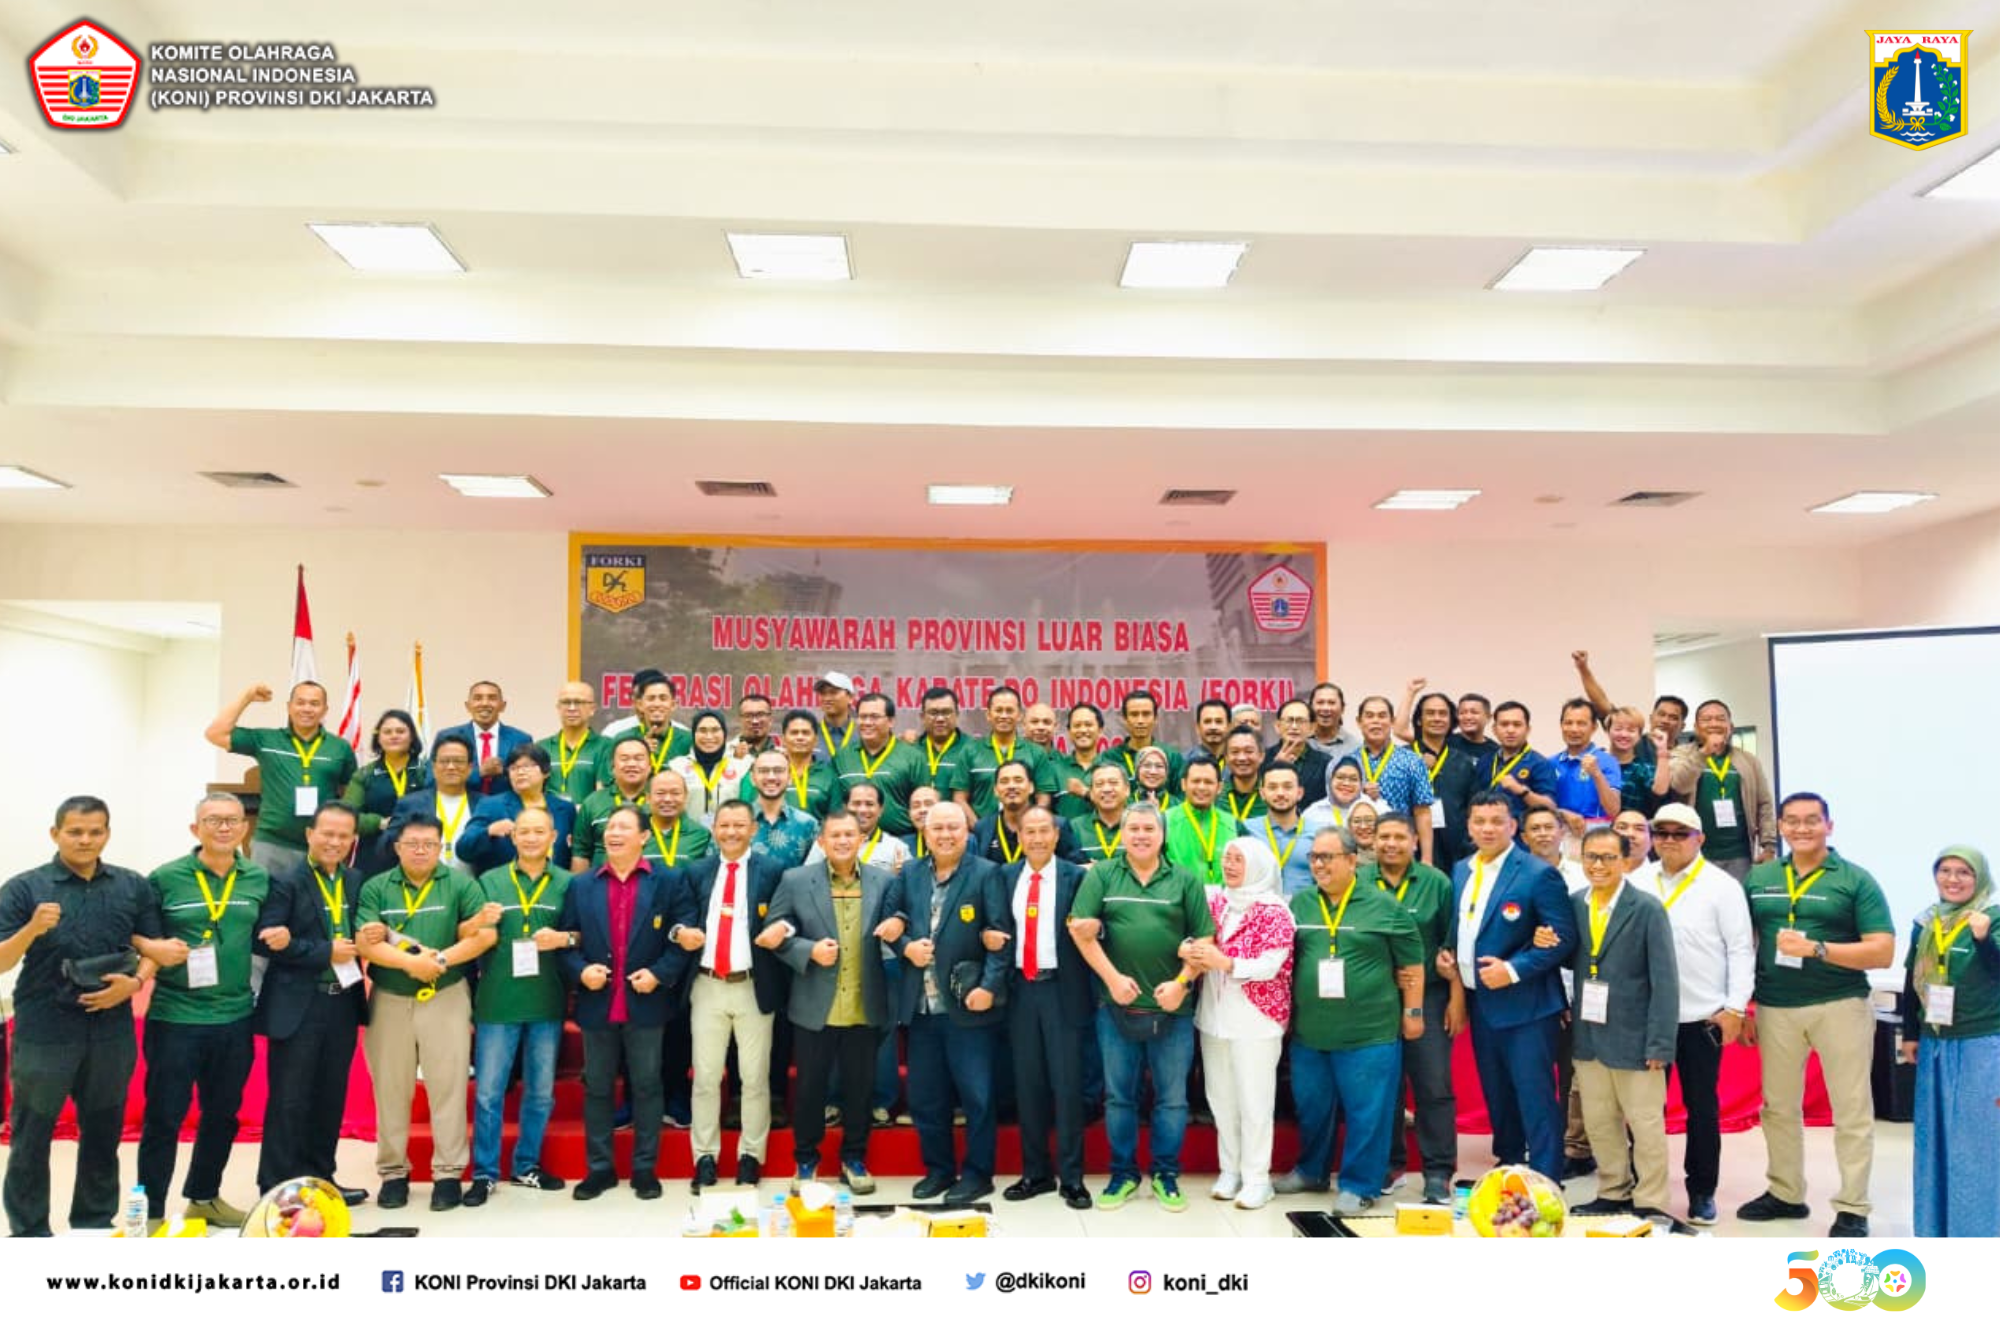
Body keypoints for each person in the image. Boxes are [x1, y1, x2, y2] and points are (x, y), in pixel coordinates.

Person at [0, 797, 162, 1238]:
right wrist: (32, 928)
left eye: (95, 831)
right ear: (55, 834)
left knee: (104, 1132)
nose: (85, 840)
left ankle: (93, 1225)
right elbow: (2, 960)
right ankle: (29, 1232)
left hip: (111, 1027)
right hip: (44, 1028)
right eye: (75, 831)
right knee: (31, 1134)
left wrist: (135, 983)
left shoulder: (132, 886)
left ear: (107, 833)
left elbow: (154, 946)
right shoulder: (24, 888)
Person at [1737, 793, 1894, 1239]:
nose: (1802, 829)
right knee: (1778, 1108)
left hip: (1839, 1004)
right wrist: (1743, 1004)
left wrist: (1818, 949)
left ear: (1829, 825)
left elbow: (1882, 951)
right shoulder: (1760, 877)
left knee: (1852, 1110)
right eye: (1792, 821)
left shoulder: (1855, 879)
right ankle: (1786, 1193)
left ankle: (1853, 1206)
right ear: (1781, 827)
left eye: (1811, 820)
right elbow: (1741, 944)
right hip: (1775, 1007)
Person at [1069, 803, 1215, 1212]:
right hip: (1115, 1007)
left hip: (1173, 1010)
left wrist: (1182, 984)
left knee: (1172, 1099)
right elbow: (1080, 930)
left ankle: (1166, 1173)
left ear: (1162, 834)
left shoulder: (1185, 879)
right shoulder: (1102, 874)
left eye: (1149, 828)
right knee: (1119, 1098)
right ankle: (1123, 1174)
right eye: (1133, 828)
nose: (1140, 835)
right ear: (1122, 833)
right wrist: (1113, 980)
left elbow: (1204, 941)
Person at [137, 793, 271, 1228]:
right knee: (164, 1118)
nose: (224, 827)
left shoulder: (258, 878)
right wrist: (150, 951)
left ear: (245, 828)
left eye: (233, 820)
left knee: (222, 1115)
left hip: (235, 1016)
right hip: (175, 1017)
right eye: (213, 820)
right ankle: (152, 1212)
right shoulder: (165, 878)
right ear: (196, 829)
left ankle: (204, 1197)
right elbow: (140, 934)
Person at [1276, 826, 1423, 1214]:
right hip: (1311, 1032)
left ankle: (1360, 1186)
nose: (1318, 865)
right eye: (1314, 858)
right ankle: (1312, 1171)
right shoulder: (1301, 904)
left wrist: (1413, 1012)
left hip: (1369, 1033)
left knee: (1367, 1113)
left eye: (1327, 857)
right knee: (1313, 1108)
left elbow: (1412, 964)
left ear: (1352, 860)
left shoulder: (1384, 906)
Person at [557, 805, 698, 1202]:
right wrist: (580, 971)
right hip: (598, 1002)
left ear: (644, 836)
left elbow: (683, 936)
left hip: (646, 1001)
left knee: (648, 1085)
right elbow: (567, 939)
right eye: (610, 827)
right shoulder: (582, 884)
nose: (613, 833)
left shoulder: (668, 881)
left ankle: (644, 1169)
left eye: (623, 827)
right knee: (598, 1087)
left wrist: (660, 974)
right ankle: (599, 1169)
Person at [758, 811, 904, 1189]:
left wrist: (900, 924)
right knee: (810, 1090)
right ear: (821, 842)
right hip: (814, 1006)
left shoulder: (884, 881)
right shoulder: (795, 880)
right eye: (834, 835)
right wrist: (807, 950)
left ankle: (854, 1159)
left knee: (860, 1090)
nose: (842, 841)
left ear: (861, 840)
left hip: (864, 1003)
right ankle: (806, 1161)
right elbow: (773, 933)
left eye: (849, 834)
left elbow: (899, 922)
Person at [355, 812, 487, 1211]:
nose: (420, 850)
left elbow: (482, 934)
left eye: (429, 844)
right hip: (390, 997)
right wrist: (411, 963)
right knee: (391, 1089)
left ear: (440, 847)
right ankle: (393, 1173)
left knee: (448, 1087)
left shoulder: (461, 883)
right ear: (397, 847)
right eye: (412, 843)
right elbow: (366, 941)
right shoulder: (377, 886)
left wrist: (440, 961)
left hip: (446, 994)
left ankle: (448, 1173)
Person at [1443, 792, 1576, 1181]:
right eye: (1479, 821)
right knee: (1497, 1093)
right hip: (1480, 1002)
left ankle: (1546, 1176)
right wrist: (1447, 958)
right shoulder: (1461, 870)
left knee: (1534, 1095)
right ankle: (1509, 1164)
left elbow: (1563, 938)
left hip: (1528, 1005)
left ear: (1513, 826)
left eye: (1497, 821)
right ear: (1469, 826)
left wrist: (1514, 970)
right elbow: (1461, 929)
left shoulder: (1537, 873)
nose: (1487, 828)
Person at [890, 801, 1009, 1205]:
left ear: (967, 832)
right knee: (926, 1098)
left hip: (967, 1006)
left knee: (977, 1097)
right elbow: (892, 920)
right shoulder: (909, 873)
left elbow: (1000, 936)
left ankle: (977, 1175)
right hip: (922, 1008)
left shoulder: (987, 873)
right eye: (937, 828)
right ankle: (938, 1170)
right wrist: (906, 948)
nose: (945, 835)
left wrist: (989, 987)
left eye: (953, 828)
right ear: (925, 833)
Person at [1642, 802, 1754, 1225]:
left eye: (1680, 833)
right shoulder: (1638, 880)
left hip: (1702, 1017)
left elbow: (1740, 949)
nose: (1669, 841)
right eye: (1662, 833)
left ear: (1700, 839)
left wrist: (1734, 1007)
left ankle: (1702, 1191)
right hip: (1649, 1017)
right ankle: (1646, 1188)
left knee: (1701, 1108)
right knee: (1644, 1110)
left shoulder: (1722, 886)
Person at [253, 802, 370, 1205]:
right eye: (327, 833)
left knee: (329, 1097)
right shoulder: (285, 881)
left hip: (342, 1003)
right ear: (309, 835)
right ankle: (278, 1186)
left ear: (353, 840)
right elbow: (265, 940)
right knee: (289, 1099)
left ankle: (322, 1179)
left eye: (343, 836)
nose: (335, 842)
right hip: (297, 1006)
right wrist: (323, 952)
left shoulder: (355, 880)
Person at [1565, 828, 1681, 1226]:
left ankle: (1650, 1200)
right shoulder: (1575, 904)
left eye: (1608, 857)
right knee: (1599, 1121)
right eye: (1591, 857)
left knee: (1646, 1125)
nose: (1598, 865)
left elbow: (1665, 981)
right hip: (1589, 1035)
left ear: (1626, 862)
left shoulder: (1646, 908)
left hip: (1636, 1037)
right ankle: (1613, 1191)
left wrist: (1660, 1044)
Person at [462, 807, 572, 1205]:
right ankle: (484, 1173)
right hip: (497, 1000)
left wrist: (565, 939)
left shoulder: (568, 883)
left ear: (553, 837)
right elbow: (465, 932)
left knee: (540, 1092)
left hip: (547, 999)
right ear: (513, 837)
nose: (531, 838)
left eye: (539, 831)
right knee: (488, 1093)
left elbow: (582, 934)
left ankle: (527, 1165)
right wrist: (479, 921)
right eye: (524, 831)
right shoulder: (489, 881)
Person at [679, 801, 787, 1190]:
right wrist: (679, 932)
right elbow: (679, 918)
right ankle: (704, 1157)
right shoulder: (697, 871)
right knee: (706, 1077)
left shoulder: (772, 871)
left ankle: (750, 1156)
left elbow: (788, 916)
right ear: (714, 829)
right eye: (724, 825)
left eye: (739, 825)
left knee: (754, 1078)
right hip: (707, 985)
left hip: (753, 985)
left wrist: (784, 930)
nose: (731, 832)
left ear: (753, 829)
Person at [1186, 838, 1294, 1211]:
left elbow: (1271, 965)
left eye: (1239, 860)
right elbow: (1196, 934)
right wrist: (1189, 948)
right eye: (1227, 858)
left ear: (1259, 866)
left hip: (1256, 1021)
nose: (1230, 865)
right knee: (1221, 1099)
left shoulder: (1275, 910)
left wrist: (1226, 962)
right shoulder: (1216, 901)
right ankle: (1229, 1171)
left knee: (1255, 1101)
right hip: (1214, 1018)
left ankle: (1257, 1179)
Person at [1901, 845, 2000, 1237]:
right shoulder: (1926, 922)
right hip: (1935, 1044)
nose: (1953, 880)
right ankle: (1935, 1230)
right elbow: (1911, 980)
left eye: (1964, 872)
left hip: (1982, 1044)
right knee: (1934, 1141)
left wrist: (1983, 939)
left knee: (1978, 1144)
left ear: (1979, 877)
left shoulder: (1993, 917)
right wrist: (1911, 1034)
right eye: (1945, 871)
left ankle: (1979, 1235)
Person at [999, 807, 1092, 1209]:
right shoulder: (1004, 876)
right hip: (1021, 991)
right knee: (1028, 1084)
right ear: (1019, 837)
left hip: (1062, 990)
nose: (1036, 838)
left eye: (1043, 831)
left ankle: (1072, 1178)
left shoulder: (1077, 877)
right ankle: (1035, 1173)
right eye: (1029, 832)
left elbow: (1096, 925)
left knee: (1067, 1086)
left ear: (1056, 836)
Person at [1370, 812, 1463, 1204]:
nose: (1391, 844)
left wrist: (1456, 996)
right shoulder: (1358, 880)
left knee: (1433, 1086)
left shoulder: (1436, 882)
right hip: (1374, 998)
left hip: (1428, 997)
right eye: (1384, 837)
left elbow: (1451, 944)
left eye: (1399, 837)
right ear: (1372, 841)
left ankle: (1438, 1172)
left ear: (1414, 841)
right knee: (1383, 1088)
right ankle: (1389, 1165)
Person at [206, 680, 358, 877]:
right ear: (289, 707)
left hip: (321, 846)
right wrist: (247, 697)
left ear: (325, 710)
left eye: (314, 703)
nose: (307, 708)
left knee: (317, 898)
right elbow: (215, 734)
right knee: (266, 897)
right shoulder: (267, 740)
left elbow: (350, 795)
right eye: (300, 702)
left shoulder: (340, 748)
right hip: (271, 844)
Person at [1666, 699, 1776, 882]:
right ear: (1696, 727)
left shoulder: (1748, 760)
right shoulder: (1681, 754)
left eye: (1720, 719)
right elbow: (1680, 785)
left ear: (1730, 727)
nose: (1714, 724)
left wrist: (1769, 845)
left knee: (1737, 899)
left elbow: (1764, 804)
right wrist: (1704, 752)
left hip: (1740, 855)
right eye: (1707, 719)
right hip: (1695, 853)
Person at [456, 743, 579, 876]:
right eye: (513, 768)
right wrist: (489, 831)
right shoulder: (491, 805)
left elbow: (575, 853)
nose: (520, 772)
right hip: (505, 885)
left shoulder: (565, 809)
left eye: (527, 766)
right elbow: (463, 849)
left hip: (553, 884)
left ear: (546, 772)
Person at [343, 708, 429, 878]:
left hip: (420, 851)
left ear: (412, 736)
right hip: (374, 855)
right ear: (378, 738)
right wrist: (379, 823)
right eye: (387, 732)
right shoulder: (365, 774)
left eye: (400, 731)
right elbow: (347, 817)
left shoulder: (426, 771)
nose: (394, 736)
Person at [1570, 650, 1688, 773]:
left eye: (1673, 717)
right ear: (1651, 717)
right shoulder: (1635, 741)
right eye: (1661, 714)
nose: (1665, 720)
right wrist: (1583, 668)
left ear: (1682, 726)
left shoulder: (1686, 756)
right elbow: (1602, 704)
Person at [1350, 697, 1436, 862]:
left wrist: (1427, 858)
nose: (1376, 721)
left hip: (1399, 848)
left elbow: (1423, 811)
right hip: (1358, 854)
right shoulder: (1348, 762)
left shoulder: (1412, 761)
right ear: (1359, 722)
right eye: (1369, 716)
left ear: (1392, 721)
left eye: (1382, 716)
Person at [832, 693, 928, 836]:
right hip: (853, 841)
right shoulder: (842, 757)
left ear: (891, 721)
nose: (867, 722)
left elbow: (924, 804)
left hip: (901, 840)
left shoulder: (913, 757)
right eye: (862, 717)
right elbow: (835, 804)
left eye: (874, 717)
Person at [381, 733, 477, 873]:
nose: (451, 767)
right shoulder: (410, 804)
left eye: (458, 761)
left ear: (470, 767)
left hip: (472, 883)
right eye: (444, 761)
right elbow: (385, 849)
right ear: (433, 766)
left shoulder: (485, 804)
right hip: (422, 883)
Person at [1408, 691, 1478, 871]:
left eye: (1443, 714)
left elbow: (1473, 805)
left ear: (1451, 720)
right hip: (1410, 847)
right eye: (1430, 713)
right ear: (1419, 720)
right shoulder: (1402, 757)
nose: (1437, 718)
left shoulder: (1464, 762)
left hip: (1456, 850)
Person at [965, 685, 1055, 818]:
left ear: (1019, 715)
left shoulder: (1036, 753)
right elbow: (960, 798)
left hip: (1025, 829)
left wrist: (1030, 824)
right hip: (983, 829)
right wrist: (980, 827)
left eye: (1009, 710)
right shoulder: (970, 751)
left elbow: (1044, 798)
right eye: (998, 710)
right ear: (988, 715)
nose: (1004, 716)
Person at [435, 681, 532, 799]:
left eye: (492, 698)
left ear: (503, 705)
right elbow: (432, 781)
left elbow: (530, 781)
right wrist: (479, 772)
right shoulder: (447, 737)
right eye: (478, 698)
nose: (485, 703)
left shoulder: (520, 739)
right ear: (467, 706)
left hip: (505, 807)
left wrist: (505, 771)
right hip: (460, 805)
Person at [973, 759, 1080, 866]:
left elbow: (1077, 868)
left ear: (1031, 787)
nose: (1011, 786)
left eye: (1018, 780)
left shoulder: (1057, 824)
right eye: (1004, 781)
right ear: (995, 790)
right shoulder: (983, 828)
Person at [571, 735, 654, 869]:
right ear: (612, 767)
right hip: (602, 880)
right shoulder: (593, 802)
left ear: (650, 766)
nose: (631, 764)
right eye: (624, 759)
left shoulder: (660, 801)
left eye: (639, 758)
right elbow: (581, 853)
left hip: (649, 879)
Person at [1239, 762, 1319, 895]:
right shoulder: (1246, 830)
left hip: (1304, 906)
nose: (1280, 793)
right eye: (1272, 787)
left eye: (1287, 787)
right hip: (1257, 905)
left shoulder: (1319, 833)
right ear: (1262, 793)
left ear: (1299, 793)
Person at [743, 709, 838, 820]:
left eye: (805, 733)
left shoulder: (828, 776)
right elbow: (748, 814)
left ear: (816, 740)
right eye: (794, 733)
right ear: (783, 739)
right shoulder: (766, 773)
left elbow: (836, 819)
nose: (800, 737)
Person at [1551, 697, 1622, 842]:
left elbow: (1614, 810)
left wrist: (1597, 774)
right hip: (1558, 835)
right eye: (1568, 723)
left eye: (1581, 723)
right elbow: (1541, 806)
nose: (1574, 729)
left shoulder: (1607, 761)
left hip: (1597, 836)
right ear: (1561, 725)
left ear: (1594, 727)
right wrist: (1562, 813)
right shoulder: (1550, 763)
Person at [597, 668, 692, 776]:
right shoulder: (619, 737)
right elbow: (606, 779)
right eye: (651, 698)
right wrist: (636, 753)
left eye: (663, 698)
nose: (657, 704)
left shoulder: (688, 740)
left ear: (673, 704)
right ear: (639, 704)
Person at [670, 709, 754, 828]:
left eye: (715, 730)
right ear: (693, 734)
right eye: (702, 730)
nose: (709, 736)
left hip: (729, 836)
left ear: (724, 733)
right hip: (689, 837)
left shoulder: (741, 768)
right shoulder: (677, 767)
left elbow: (748, 809)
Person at [744, 748, 821, 872]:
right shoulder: (734, 822)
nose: (771, 777)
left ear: (790, 777)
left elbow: (815, 874)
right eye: (763, 771)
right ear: (752, 778)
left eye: (778, 771)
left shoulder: (808, 825)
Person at [1485, 701, 1557, 824]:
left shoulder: (1539, 764)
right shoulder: (1485, 761)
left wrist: (1521, 791)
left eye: (1517, 725)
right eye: (1504, 724)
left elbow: (1550, 807)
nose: (1510, 730)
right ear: (1494, 729)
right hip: (1488, 830)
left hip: (1521, 833)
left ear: (1528, 729)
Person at [540, 681, 608, 805]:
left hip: (587, 816)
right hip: (550, 816)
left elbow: (603, 795)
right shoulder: (542, 747)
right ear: (558, 708)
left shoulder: (606, 746)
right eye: (566, 702)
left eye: (579, 702)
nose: (572, 708)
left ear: (592, 709)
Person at [1164, 756, 1230, 884]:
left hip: (1224, 896)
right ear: (1183, 784)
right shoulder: (1164, 822)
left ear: (1219, 787)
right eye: (1195, 781)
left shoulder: (1233, 824)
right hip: (1178, 896)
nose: (1201, 787)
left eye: (1208, 782)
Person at [1603, 704, 1671, 822]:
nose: (1624, 734)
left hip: (1632, 828)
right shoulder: (1597, 762)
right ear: (1608, 731)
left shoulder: (1642, 768)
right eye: (1618, 729)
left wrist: (1662, 751)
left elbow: (1660, 790)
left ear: (1639, 736)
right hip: (1597, 827)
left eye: (1631, 730)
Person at [913, 687, 975, 813]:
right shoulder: (911, 751)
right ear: (922, 716)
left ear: (957, 715)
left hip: (959, 823)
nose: (940, 719)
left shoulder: (973, 749)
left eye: (946, 712)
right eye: (933, 713)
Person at [1112, 690, 1185, 794]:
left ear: (1156, 719)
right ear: (1124, 719)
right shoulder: (1109, 758)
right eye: (1134, 714)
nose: (1140, 721)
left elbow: (1182, 798)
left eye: (1146, 714)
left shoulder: (1172, 757)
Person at [1049, 704, 1111, 822]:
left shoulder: (1113, 769)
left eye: (1088, 725)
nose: (1083, 730)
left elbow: (1122, 807)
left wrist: (1085, 792)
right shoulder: (1054, 768)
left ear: (1100, 730)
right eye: (1077, 725)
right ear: (1069, 732)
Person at [1266, 698, 1330, 808]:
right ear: (1277, 726)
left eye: (1301, 721)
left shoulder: (1326, 763)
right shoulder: (1262, 759)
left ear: (1312, 728)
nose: (1294, 726)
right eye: (1289, 720)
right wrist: (1275, 766)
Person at [1070, 762, 1132, 865]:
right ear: (1091, 793)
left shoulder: (1142, 825)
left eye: (1113, 783)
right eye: (1099, 784)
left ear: (1127, 789)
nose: (1106, 789)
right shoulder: (1075, 827)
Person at [1306, 681, 1362, 768]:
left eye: (1331, 703)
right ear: (1310, 707)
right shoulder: (1301, 742)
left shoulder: (1356, 747)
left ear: (1342, 708)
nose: (1325, 708)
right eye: (1320, 702)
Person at [1220, 726, 1267, 825]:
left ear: (1261, 756)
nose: (1242, 758)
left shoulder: (1271, 795)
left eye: (1249, 751)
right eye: (1235, 752)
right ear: (1226, 757)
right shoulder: (1217, 795)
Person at [811, 671, 861, 760]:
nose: (827, 698)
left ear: (850, 698)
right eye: (823, 693)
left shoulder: (863, 734)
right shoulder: (811, 734)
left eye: (833, 692)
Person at [1185, 697, 1233, 769]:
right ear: (1197, 728)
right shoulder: (1184, 762)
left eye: (1219, 722)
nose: (1213, 727)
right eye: (1207, 722)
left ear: (1229, 727)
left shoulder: (1239, 761)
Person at [1131, 746, 1177, 811]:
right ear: (1137, 771)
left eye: (1159, 766)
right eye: (1147, 765)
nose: (1153, 772)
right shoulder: (1124, 803)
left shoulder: (1177, 805)